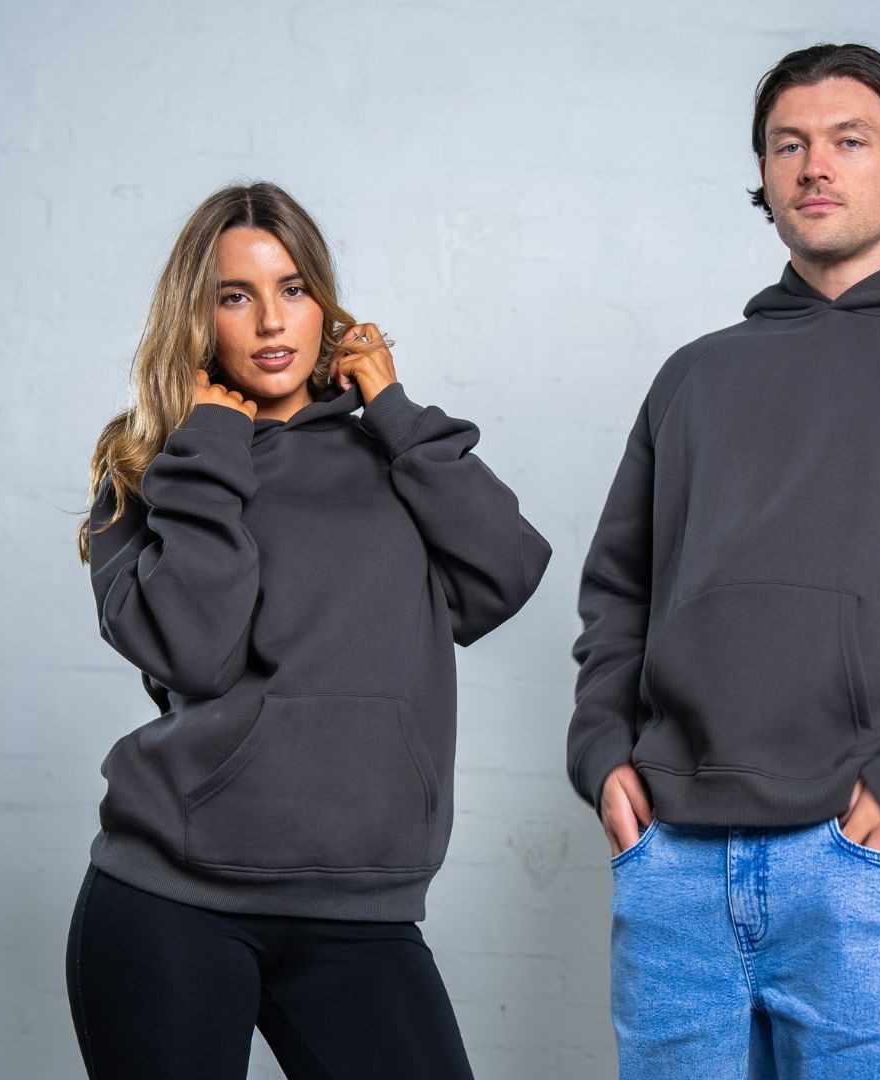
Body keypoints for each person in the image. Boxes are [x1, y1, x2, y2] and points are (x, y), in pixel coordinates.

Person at [566, 42, 880, 1079]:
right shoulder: (694, 378)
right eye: (788, 145)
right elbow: (620, 593)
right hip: (673, 872)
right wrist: (603, 753)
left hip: (857, 867)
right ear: (763, 175)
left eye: (850, 140)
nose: (815, 166)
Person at [68, 181, 551, 1080]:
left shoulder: (391, 455)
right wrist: (212, 446)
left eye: (292, 288)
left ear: (323, 302)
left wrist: (394, 410)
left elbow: (506, 574)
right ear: (198, 317)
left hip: (363, 914)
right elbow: (195, 651)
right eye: (235, 295)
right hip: (170, 901)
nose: (270, 320)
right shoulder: (151, 470)